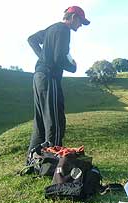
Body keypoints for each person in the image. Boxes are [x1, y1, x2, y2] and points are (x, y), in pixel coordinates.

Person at [26, 6, 90, 161]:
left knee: (40, 120)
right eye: (80, 21)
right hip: (50, 78)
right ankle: (53, 162)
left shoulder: (52, 28)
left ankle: (32, 160)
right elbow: (58, 59)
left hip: (38, 77)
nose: (80, 25)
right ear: (73, 17)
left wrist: (42, 57)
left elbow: (32, 39)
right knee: (55, 120)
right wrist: (73, 67)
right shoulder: (63, 30)